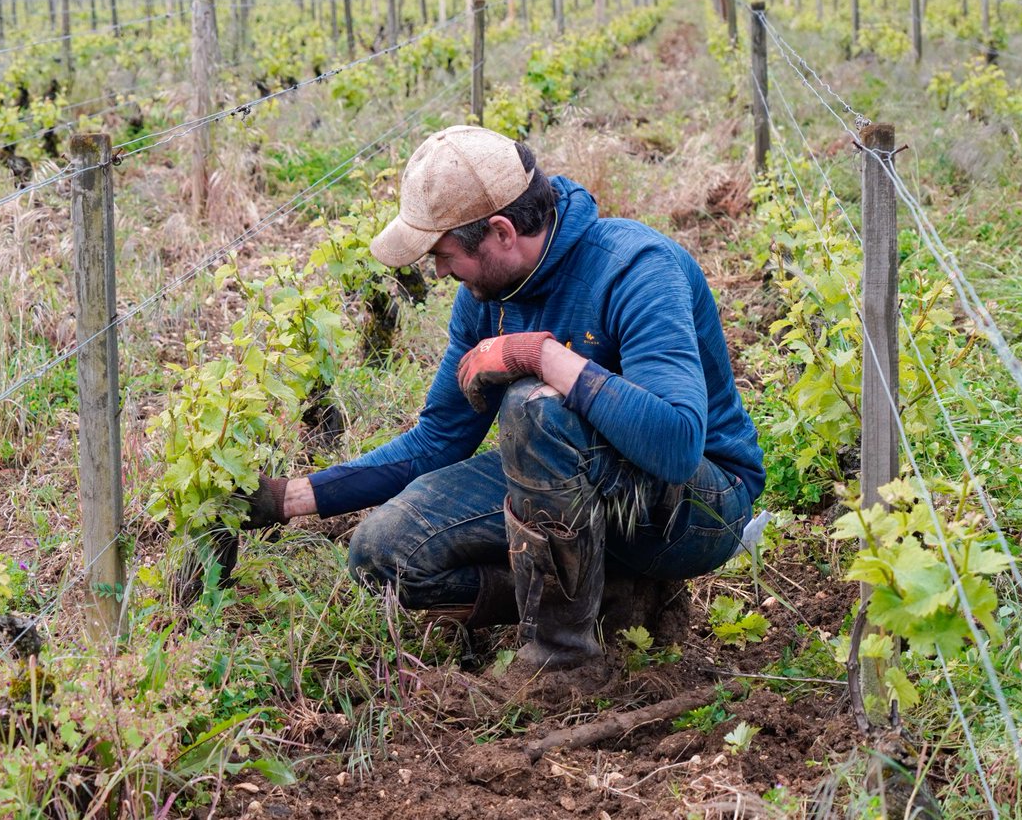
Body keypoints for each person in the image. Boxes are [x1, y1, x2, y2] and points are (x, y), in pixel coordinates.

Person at [192, 125, 764, 671]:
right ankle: (618, 597)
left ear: (501, 232)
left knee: (535, 407)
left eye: (442, 253)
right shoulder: (485, 294)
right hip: (572, 483)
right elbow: (439, 439)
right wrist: (289, 499)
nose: (438, 272)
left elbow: (678, 446)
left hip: (699, 508)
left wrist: (542, 357)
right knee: (384, 556)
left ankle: (564, 661)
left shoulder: (637, 268)